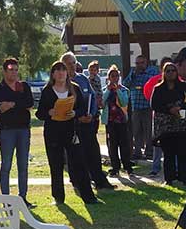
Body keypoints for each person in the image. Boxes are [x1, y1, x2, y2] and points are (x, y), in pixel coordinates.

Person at [36, 62, 99, 206]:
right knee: (56, 165)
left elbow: (83, 108)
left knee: (79, 164)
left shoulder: (74, 89)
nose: (60, 73)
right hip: (53, 132)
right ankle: (58, 198)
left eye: (63, 70)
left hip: (72, 131)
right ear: (52, 74)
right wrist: (49, 112)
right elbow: (40, 113)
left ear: (67, 73)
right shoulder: (47, 91)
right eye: (57, 71)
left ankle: (89, 197)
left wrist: (75, 113)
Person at [65, 52, 112, 191]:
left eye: (74, 62)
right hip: (72, 123)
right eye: (69, 63)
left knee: (93, 151)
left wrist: (91, 114)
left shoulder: (83, 79)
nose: (72, 66)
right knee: (76, 153)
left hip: (88, 121)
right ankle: (78, 181)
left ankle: (100, 180)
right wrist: (77, 116)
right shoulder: (62, 81)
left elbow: (92, 96)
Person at [150, 59, 186, 185]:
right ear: (163, 73)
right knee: (168, 154)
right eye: (168, 71)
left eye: (173, 70)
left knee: (183, 153)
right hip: (166, 127)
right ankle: (169, 179)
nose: (171, 73)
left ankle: (185, 178)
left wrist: (181, 107)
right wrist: (169, 109)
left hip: (182, 125)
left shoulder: (185, 86)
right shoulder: (158, 88)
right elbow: (154, 105)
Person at [0, 57, 35, 201]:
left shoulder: (24, 86)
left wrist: (12, 104)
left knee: (23, 165)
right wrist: (16, 104)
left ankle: (23, 198)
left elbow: (29, 103)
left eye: (16, 70)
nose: (14, 73)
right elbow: (1, 107)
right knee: (6, 165)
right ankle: (6, 199)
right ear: (4, 71)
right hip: (7, 131)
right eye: (11, 70)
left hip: (23, 130)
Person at [127, 52, 158, 162]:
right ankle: (137, 152)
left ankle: (149, 152)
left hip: (148, 105)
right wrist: (133, 75)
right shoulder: (133, 72)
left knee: (148, 130)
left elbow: (155, 84)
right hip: (136, 105)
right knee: (136, 130)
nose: (139, 65)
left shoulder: (152, 71)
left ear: (146, 63)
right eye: (137, 63)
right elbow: (126, 84)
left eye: (142, 63)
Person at [102, 65, 133, 176]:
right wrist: (108, 91)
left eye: (116, 76)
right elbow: (102, 102)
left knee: (124, 145)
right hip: (110, 121)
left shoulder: (124, 90)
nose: (114, 78)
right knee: (112, 145)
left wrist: (118, 91)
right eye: (112, 76)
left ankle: (127, 166)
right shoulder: (105, 90)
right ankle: (115, 167)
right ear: (108, 77)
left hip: (122, 121)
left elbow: (124, 102)